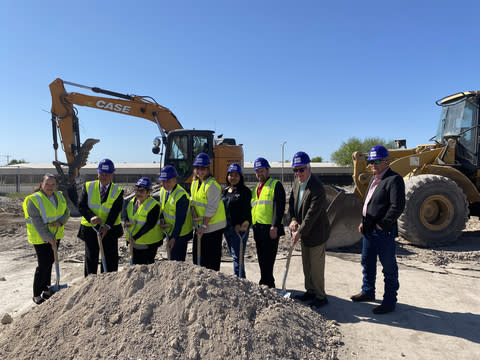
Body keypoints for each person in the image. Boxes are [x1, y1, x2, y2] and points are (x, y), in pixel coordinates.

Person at [351, 145, 405, 314]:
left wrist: (383, 224)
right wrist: (364, 221)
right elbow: (369, 203)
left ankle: (389, 301)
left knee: (388, 267)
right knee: (367, 262)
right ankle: (368, 292)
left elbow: (397, 206)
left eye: (376, 161)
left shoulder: (394, 179)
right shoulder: (374, 178)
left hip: (383, 232)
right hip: (368, 230)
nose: (373, 164)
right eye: (371, 161)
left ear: (387, 161)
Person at [288, 151, 330, 308]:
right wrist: (292, 219)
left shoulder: (317, 188)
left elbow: (312, 215)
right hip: (304, 232)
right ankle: (310, 291)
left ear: (309, 168)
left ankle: (320, 296)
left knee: (316, 267)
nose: (298, 173)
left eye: (301, 169)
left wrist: (299, 232)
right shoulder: (297, 183)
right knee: (307, 265)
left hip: (317, 233)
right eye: (296, 170)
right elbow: (292, 203)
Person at [22, 173, 70, 304]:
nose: (50, 187)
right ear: (41, 184)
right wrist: (48, 237)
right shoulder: (33, 199)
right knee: (43, 265)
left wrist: (60, 222)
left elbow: (67, 211)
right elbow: (36, 221)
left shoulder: (59, 196)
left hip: (56, 235)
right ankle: (37, 294)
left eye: (52, 184)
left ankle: (47, 289)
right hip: (40, 237)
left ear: (56, 185)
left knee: (50, 263)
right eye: (47, 184)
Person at [77, 158, 124, 276]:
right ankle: (89, 284)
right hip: (90, 229)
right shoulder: (88, 186)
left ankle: (108, 284)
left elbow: (115, 211)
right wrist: (91, 217)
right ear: (97, 173)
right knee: (91, 258)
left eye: (107, 174)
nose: (104, 176)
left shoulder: (117, 191)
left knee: (110, 259)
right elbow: (81, 206)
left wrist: (107, 226)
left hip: (110, 230)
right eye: (101, 173)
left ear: (112, 174)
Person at [251, 157, 286, 288]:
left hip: (270, 228)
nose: (259, 174)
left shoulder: (275, 184)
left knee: (268, 259)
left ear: (268, 170)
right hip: (258, 228)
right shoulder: (255, 188)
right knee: (261, 258)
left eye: (262, 171)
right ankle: (264, 281)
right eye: (257, 171)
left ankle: (269, 284)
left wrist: (274, 226)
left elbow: (279, 207)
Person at [190, 153, 226, 270]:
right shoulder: (195, 183)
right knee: (198, 257)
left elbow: (212, 207)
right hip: (201, 225)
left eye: (203, 168)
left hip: (213, 227)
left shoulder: (212, 185)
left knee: (211, 260)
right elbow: (194, 201)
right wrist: (195, 216)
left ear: (208, 169)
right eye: (197, 168)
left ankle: (213, 284)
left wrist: (204, 226)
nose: (200, 171)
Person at [222, 163, 251, 278]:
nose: (233, 177)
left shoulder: (245, 191)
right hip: (227, 228)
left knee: (237, 256)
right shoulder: (224, 191)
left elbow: (248, 211)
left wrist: (244, 223)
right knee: (233, 255)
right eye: (231, 175)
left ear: (240, 177)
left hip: (239, 229)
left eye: (236, 175)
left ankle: (241, 279)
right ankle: (238, 278)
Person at [124, 177, 163, 264]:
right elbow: (127, 217)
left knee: (146, 269)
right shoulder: (132, 202)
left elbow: (149, 225)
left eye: (141, 191)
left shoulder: (154, 205)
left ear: (148, 192)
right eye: (136, 190)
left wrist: (135, 237)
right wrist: (126, 223)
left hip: (148, 243)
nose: (138, 193)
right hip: (134, 242)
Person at [158, 165, 193, 261]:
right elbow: (163, 208)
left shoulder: (181, 196)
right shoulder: (163, 191)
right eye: (163, 181)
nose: (165, 184)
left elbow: (180, 220)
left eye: (168, 181)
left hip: (180, 234)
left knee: (177, 262)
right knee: (171, 260)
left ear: (175, 180)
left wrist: (174, 238)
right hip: (170, 231)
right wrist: (161, 219)